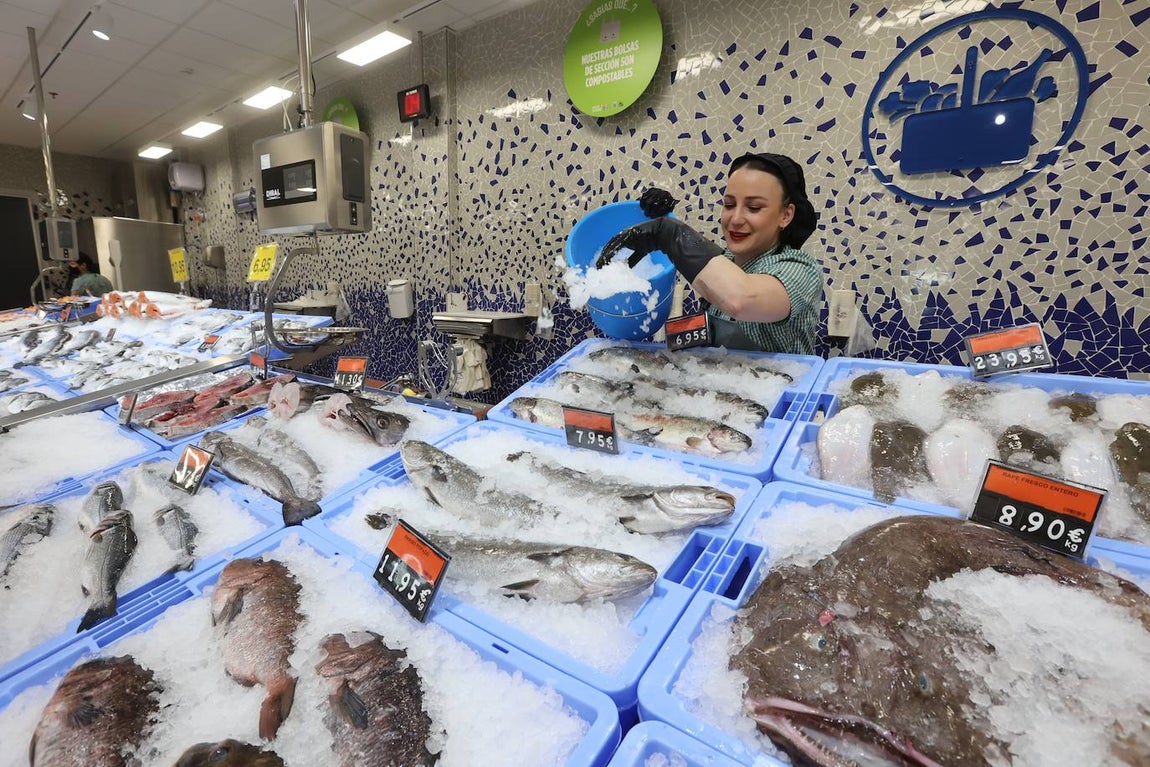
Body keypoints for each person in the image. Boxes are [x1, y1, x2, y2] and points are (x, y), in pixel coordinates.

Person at [599, 152, 823, 354]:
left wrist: (671, 234)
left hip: (783, 386)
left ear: (786, 215)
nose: (736, 219)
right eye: (729, 205)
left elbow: (742, 299)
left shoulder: (801, 270)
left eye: (754, 208)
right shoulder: (722, 261)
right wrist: (653, 219)